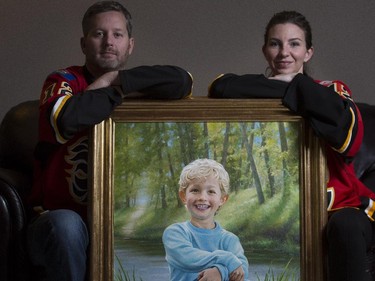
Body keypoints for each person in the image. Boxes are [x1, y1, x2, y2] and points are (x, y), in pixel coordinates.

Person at [26, 1, 193, 280]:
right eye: (98, 34)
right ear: (83, 43)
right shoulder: (63, 81)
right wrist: (120, 93)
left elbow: (182, 81)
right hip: (59, 219)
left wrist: (115, 79)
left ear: (130, 44)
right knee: (66, 224)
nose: (108, 42)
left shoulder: (132, 81)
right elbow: (66, 119)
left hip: (112, 219)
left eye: (117, 34)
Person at [208, 10, 375, 281]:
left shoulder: (330, 90)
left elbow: (347, 134)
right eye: (276, 44)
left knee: (347, 225)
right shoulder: (251, 92)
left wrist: (296, 84)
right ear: (265, 50)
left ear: (308, 52)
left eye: (294, 44)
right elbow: (221, 86)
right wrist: (290, 87)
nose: (284, 52)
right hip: (275, 202)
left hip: (332, 202)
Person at [162, 158, 249, 281]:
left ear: (222, 199)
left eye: (211, 191)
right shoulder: (175, 233)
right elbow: (187, 259)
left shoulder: (230, 240)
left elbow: (242, 271)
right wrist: (227, 259)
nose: (202, 197)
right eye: (195, 190)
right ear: (183, 196)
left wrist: (220, 272)